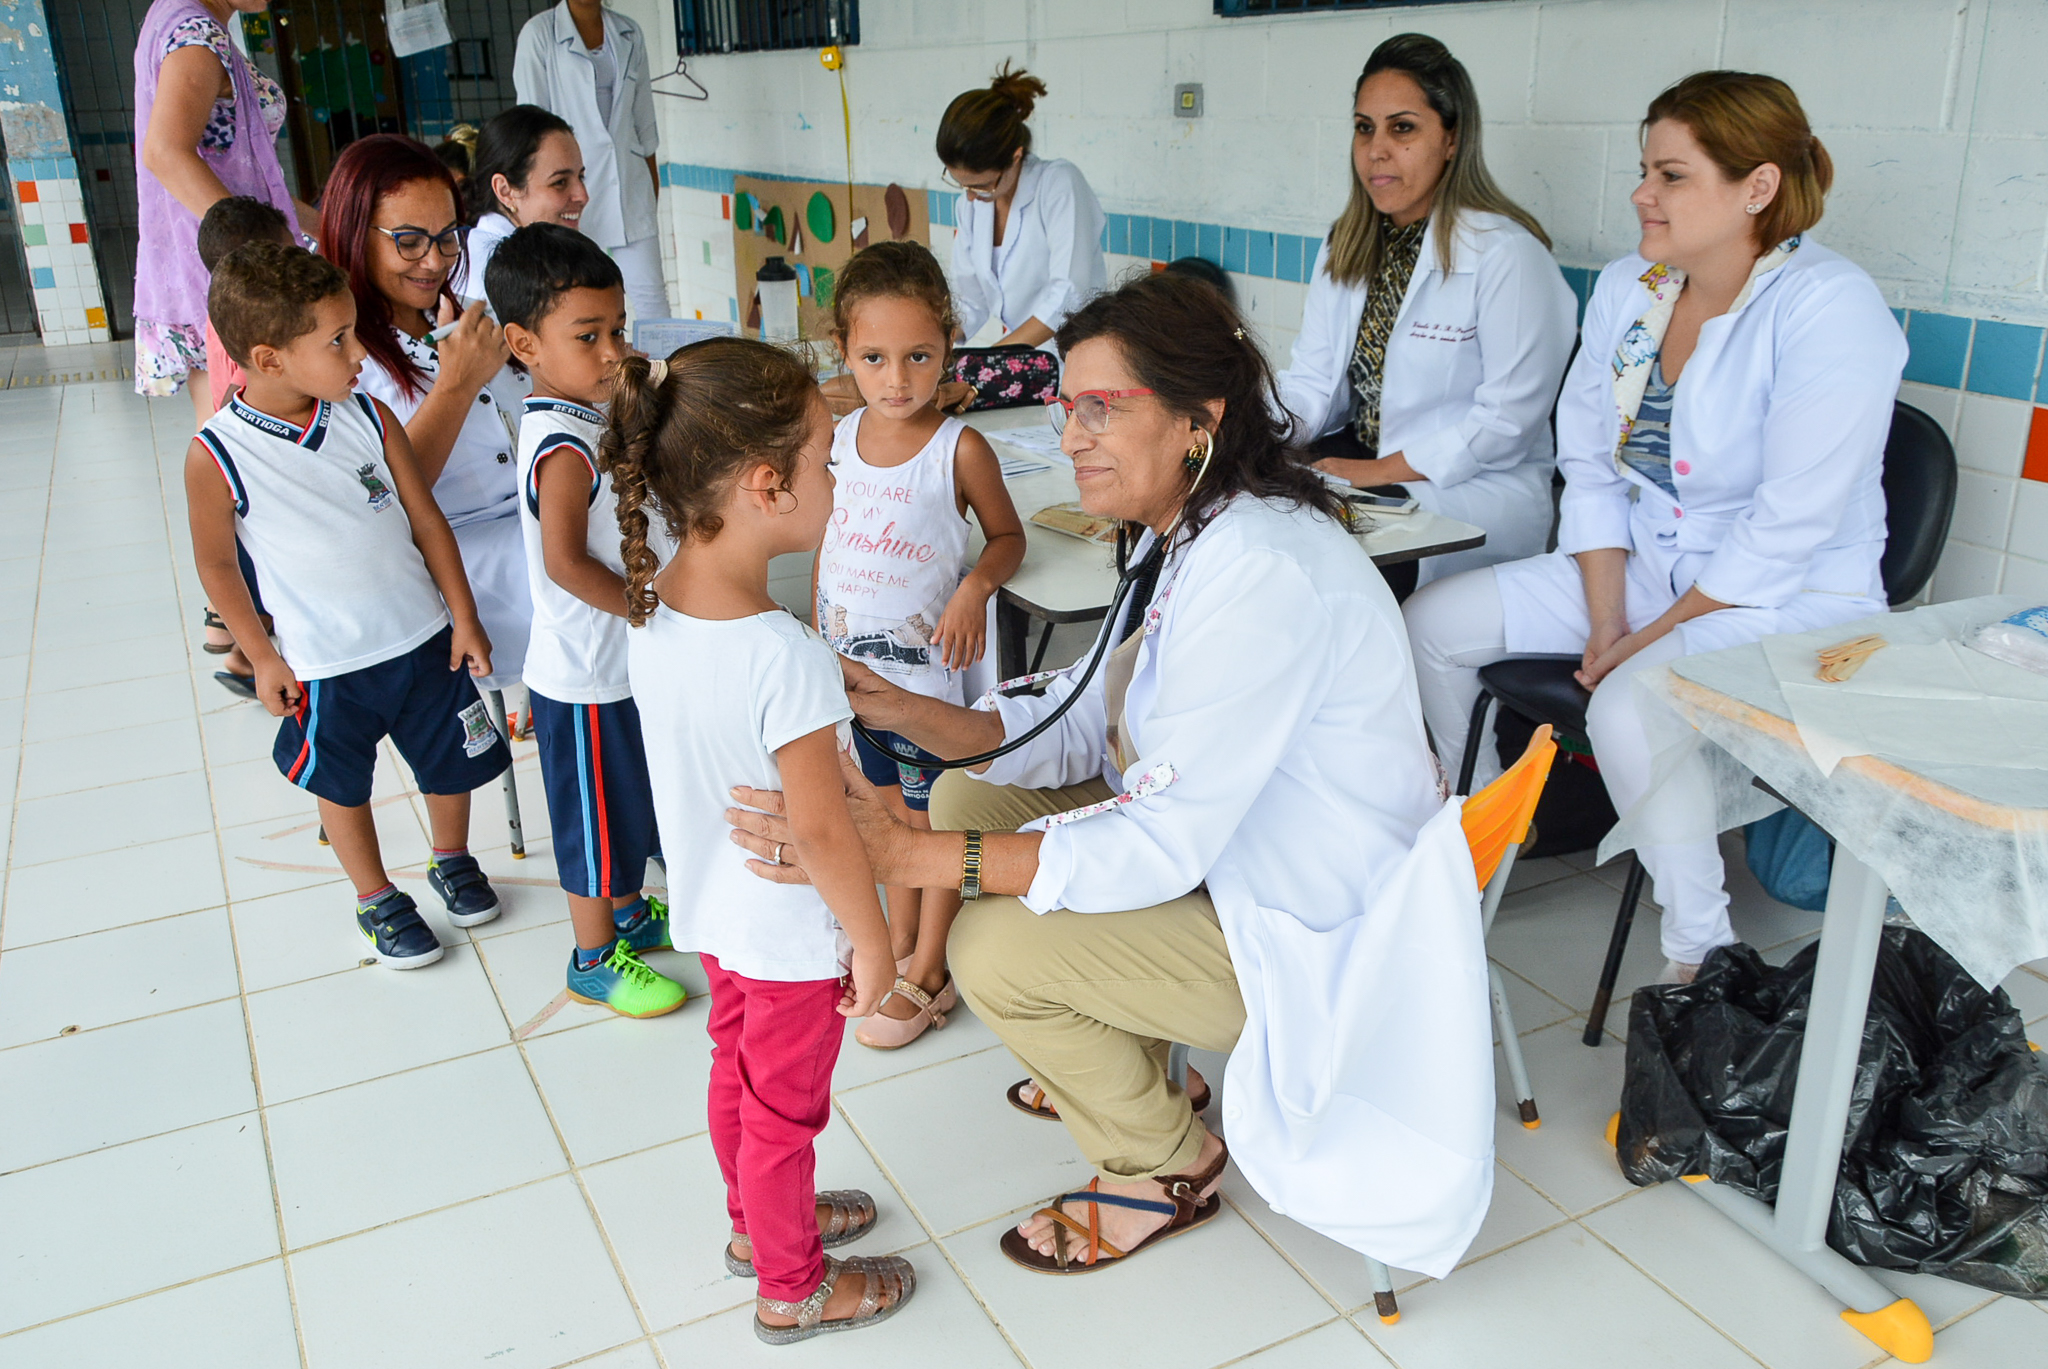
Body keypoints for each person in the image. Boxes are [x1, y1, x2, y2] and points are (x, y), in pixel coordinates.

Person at [723, 274, 1497, 1282]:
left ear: (1196, 419)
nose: (1071, 433)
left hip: (1320, 933)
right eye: (1066, 404)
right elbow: (1093, 719)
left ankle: (1163, 1163)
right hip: (1237, 857)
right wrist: (902, 708)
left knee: (992, 942)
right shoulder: (1194, 530)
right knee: (964, 791)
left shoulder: (1259, 567)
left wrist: (905, 851)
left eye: (1101, 407)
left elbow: (1159, 838)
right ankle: (1128, 1060)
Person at [1403, 72, 1907, 983]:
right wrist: (1606, 621)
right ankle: (1475, 824)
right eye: (1645, 170)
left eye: (1671, 175)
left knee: (1627, 706)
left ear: (1756, 187)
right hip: (1643, 564)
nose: (1642, 193)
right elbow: (1590, 466)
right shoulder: (1633, 286)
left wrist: (1641, 644)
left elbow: (1787, 526)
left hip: (1787, 598)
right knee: (1434, 626)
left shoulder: (1829, 308)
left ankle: (1700, 948)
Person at [603, 339, 915, 1341]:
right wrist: (874, 942)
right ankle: (791, 1283)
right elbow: (823, 830)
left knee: (735, 1071)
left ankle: (753, 1224)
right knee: (783, 1114)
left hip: (714, 909)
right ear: (766, 483)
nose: (836, 479)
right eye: (827, 459)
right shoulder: (782, 653)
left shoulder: (651, 612)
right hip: (783, 933)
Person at [185, 243, 508, 968]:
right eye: (337, 340)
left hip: (424, 638)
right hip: (326, 663)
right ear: (269, 359)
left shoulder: (367, 417)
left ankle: (450, 858)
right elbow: (216, 565)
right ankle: (375, 897)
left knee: (449, 764)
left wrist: (464, 614)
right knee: (343, 784)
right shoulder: (218, 452)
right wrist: (262, 654)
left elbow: (427, 522)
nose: (360, 351)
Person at [813, 241, 1025, 1050]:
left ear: (948, 349)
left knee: (934, 819)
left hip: (929, 691)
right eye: (874, 357)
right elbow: (830, 550)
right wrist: (816, 642)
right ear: (845, 354)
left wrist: (973, 587)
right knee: (883, 807)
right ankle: (898, 942)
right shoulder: (835, 439)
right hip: (854, 680)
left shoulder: (958, 449)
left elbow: (1006, 537)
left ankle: (930, 969)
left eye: (919, 356)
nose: (897, 378)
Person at [1276, 33, 1575, 600]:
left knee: (1326, 575)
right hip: (1365, 469)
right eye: (1364, 128)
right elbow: (1313, 383)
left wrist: (1377, 471)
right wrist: (1242, 429)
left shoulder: (1507, 254)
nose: (1376, 150)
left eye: (1402, 128)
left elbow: (1506, 423)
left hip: (1468, 491)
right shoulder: (1348, 243)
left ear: (1452, 138)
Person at [488, 223, 686, 1018]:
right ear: (523, 343)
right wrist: (650, 606)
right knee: (595, 823)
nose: (612, 351)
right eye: (588, 336)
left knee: (630, 801)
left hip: (620, 664)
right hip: (583, 678)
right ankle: (593, 955)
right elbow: (569, 563)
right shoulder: (558, 444)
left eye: (618, 330)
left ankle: (632, 913)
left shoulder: (591, 414)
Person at [322, 135, 532, 699]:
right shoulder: (341, 357)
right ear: (352, 234)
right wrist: (457, 385)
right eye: (409, 242)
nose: (435, 262)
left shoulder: (456, 316)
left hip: (533, 522)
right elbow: (380, 496)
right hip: (453, 560)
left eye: (446, 239)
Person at [134, 0, 319, 423]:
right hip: (224, 265)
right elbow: (165, 153)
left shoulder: (172, 16)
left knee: (225, 422)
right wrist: (257, 257)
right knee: (246, 427)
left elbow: (247, 189)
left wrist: (326, 226)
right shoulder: (197, 35)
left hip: (205, 257)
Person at [193, 195, 293, 697]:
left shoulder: (219, 310)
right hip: (258, 462)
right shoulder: (251, 327)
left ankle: (239, 651)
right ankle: (246, 655)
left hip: (245, 460)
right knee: (259, 558)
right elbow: (240, 393)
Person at [515, 0, 668, 323]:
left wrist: (649, 196)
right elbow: (530, 128)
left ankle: (665, 374)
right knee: (578, 302)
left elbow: (645, 125)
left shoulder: (628, 31)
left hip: (629, 184)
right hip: (569, 188)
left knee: (653, 303)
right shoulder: (540, 35)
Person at [937, 65, 1106, 351]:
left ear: (1015, 157)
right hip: (1021, 356)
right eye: (960, 184)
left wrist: (995, 358)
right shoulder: (972, 205)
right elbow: (969, 299)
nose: (969, 198)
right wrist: (930, 347)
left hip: (1075, 352)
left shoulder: (1059, 185)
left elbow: (1068, 295)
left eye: (982, 185)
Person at [451, 105, 590, 310]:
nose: (582, 196)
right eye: (559, 182)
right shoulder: (496, 274)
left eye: (581, 177)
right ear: (505, 191)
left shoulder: (530, 254)